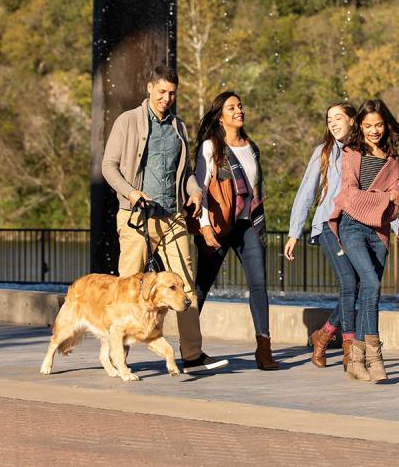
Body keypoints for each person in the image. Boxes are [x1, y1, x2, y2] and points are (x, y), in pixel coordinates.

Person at [101, 63, 228, 374]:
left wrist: (195, 191)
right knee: (127, 289)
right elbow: (108, 167)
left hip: (172, 217)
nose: (167, 98)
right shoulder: (127, 121)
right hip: (136, 217)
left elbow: (184, 175)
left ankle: (193, 355)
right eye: (162, 92)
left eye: (172, 93)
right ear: (149, 88)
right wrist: (131, 193)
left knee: (184, 284)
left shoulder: (178, 128)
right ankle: (118, 354)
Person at [191, 91, 278, 370]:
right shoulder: (210, 147)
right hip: (217, 225)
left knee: (259, 284)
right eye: (232, 107)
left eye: (240, 106)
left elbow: (254, 191)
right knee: (202, 286)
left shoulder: (251, 147)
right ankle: (189, 347)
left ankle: (264, 349)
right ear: (220, 115)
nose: (239, 110)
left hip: (247, 224)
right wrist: (204, 227)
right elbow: (201, 189)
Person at [329, 99, 399, 382]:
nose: (373, 131)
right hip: (352, 227)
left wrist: (385, 199)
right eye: (367, 126)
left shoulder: (391, 157)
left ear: (386, 125)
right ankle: (376, 357)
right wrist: (384, 197)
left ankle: (357, 359)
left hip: (379, 232)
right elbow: (349, 195)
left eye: (378, 125)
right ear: (359, 126)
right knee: (372, 284)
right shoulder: (351, 152)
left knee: (368, 294)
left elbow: (397, 198)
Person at [284, 102, 359, 370]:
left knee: (359, 286)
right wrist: (294, 233)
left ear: (353, 120)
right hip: (329, 225)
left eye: (339, 118)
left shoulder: (364, 152)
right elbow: (306, 191)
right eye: (329, 120)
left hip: (357, 228)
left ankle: (324, 334)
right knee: (349, 282)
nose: (334, 123)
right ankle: (350, 350)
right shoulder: (324, 152)